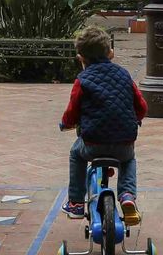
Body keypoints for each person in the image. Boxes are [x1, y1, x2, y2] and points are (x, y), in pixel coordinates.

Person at [59, 25, 147, 224]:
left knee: (76, 154)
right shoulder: (124, 75)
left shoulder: (82, 80)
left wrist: (65, 124)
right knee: (129, 160)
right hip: (124, 142)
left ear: (81, 58)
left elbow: (72, 111)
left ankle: (75, 202)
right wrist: (137, 118)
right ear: (111, 53)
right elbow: (141, 105)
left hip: (92, 144)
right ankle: (127, 195)